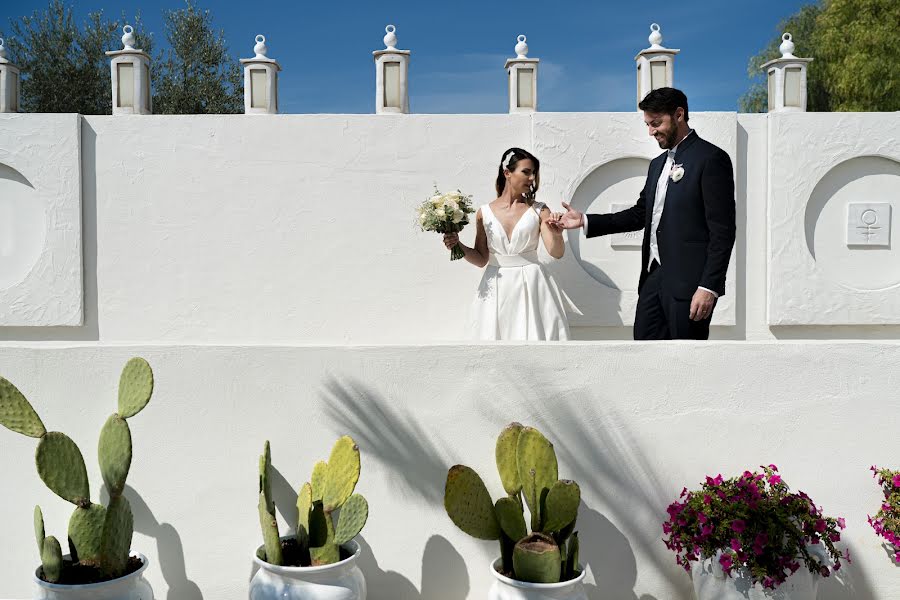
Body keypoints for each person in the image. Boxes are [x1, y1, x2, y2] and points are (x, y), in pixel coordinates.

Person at [553, 88, 735, 340]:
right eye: (648, 125)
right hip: (653, 278)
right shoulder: (657, 165)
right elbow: (640, 214)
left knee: (686, 363)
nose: (651, 132)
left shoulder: (711, 158)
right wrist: (585, 220)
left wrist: (709, 287)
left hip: (690, 286)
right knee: (643, 354)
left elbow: (723, 232)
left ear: (679, 114)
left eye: (657, 123)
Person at [443, 147, 570, 341]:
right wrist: (457, 245)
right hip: (496, 285)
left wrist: (558, 234)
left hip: (533, 283)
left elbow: (556, 252)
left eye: (534, 174)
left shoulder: (540, 210)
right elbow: (480, 258)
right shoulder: (483, 213)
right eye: (526, 172)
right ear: (507, 173)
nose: (532, 179)